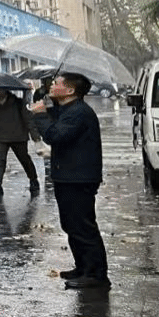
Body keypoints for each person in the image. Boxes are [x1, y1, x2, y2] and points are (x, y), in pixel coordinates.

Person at [30, 73, 110, 290]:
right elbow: (54, 118)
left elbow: (55, 136)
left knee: (82, 227)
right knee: (71, 225)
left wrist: (40, 115)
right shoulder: (68, 109)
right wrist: (42, 103)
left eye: (56, 84)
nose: (52, 86)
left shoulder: (79, 113)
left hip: (78, 178)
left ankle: (96, 275)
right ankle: (83, 267)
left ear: (70, 90)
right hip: (68, 176)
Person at [0, 86, 42, 196]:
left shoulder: (18, 103)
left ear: (6, 90)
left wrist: (35, 137)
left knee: (24, 158)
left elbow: (28, 119)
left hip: (18, 136)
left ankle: (33, 179)